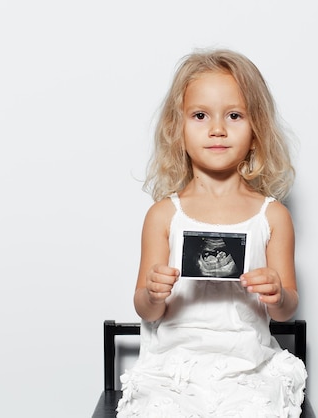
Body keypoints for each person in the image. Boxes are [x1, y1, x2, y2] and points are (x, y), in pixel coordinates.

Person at [117, 48, 307, 417]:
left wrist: (277, 292)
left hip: (249, 369)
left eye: (234, 116)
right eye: (200, 115)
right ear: (178, 130)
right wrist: (154, 292)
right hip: (173, 370)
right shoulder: (163, 215)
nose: (217, 129)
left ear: (256, 132)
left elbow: (286, 311)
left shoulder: (273, 217)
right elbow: (144, 307)